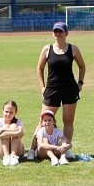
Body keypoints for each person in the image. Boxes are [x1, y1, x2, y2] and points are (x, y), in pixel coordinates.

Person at [36, 21, 86, 160]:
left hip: (69, 89)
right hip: (52, 89)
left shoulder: (73, 49)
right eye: (55, 31)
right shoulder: (47, 49)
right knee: (42, 121)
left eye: (60, 31)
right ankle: (33, 150)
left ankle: (65, 151)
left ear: (66, 33)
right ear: (53, 33)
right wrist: (42, 87)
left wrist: (80, 83)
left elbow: (82, 66)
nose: (58, 33)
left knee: (68, 122)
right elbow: (39, 69)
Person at [0, 100, 25, 165]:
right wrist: (15, 132)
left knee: (13, 125)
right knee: (6, 126)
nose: (8, 114)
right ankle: (6, 156)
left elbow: (21, 133)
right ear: (2, 111)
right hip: (1, 151)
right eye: (6, 112)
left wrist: (3, 131)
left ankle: (13, 156)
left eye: (11, 112)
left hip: (17, 151)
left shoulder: (19, 122)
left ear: (15, 113)